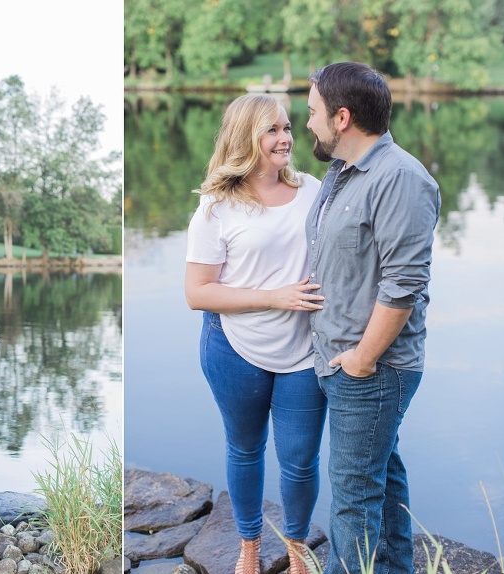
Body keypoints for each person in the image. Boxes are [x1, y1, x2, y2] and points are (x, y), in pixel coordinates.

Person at [304, 62, 440, 574]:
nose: (307, 123)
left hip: (373, 368)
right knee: (381, 483)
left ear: (342, 118)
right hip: (343, 361)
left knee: (353, 499)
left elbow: (403, 287)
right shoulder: (340, 172)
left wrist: (361, 359)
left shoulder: (400, 178)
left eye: (313, 112)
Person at [184, 94, 327, 574]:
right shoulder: (216, 208)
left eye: (288, 127)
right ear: (246, 137)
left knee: (301, 459)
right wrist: (276, 296)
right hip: (234, 349)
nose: (286, 137)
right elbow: (198, 293)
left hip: (305, 349)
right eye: (272, 130)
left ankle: (297, 547)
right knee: (245, 449)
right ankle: (248, 546)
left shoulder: (313, 190)